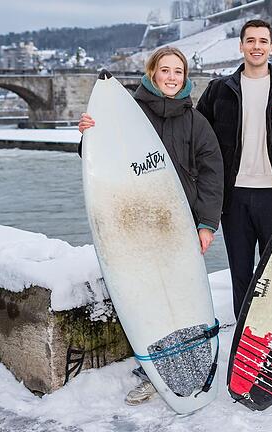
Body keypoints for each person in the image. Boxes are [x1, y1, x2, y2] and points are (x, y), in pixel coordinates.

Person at [78, 46, 224, 405]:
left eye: (178, 71)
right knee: (147, 300)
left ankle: (193, 366)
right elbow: (100, 162)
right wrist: (87, 136)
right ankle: (151, 374)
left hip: (179, 227)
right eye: (165, 70)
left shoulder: (195, 121)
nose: (172, 77)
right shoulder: (129, 114)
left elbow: (212, 175)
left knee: (182, 299)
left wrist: (206, 224)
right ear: (152, 73)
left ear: (185, 77)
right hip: (133, 227)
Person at [196, 19, 272, 318]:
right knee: (242, 275)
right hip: (234, 198)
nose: (256, 47)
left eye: (262, 41)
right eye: (251, 41)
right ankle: (244, 343)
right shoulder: (219, 90)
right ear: (241, 45)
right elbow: (192, 133)